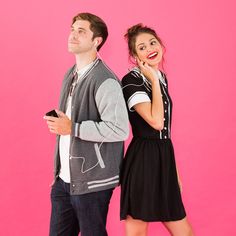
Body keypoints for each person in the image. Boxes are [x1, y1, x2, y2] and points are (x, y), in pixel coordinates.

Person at [44, 12, 129, 236]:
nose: (73, 34)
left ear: (96, 41)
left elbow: (119, 129)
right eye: (72, 29)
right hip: (64, 181)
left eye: (81, 31)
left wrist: (72, 127)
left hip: (93, 182)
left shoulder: (105, 80)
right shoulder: (71, 75)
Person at [120, 24, 194, 236]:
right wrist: (151, 77)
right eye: (141, 47)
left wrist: (174, 172)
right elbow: (156, 122)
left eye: (153, 43)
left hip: (164, 156)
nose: (150, 49)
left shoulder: (161, 77)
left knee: (184, 232)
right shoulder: (131, 80)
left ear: (161, 45)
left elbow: (165, 134)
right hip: (143, 159)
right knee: (137, 231)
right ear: (134, 55)